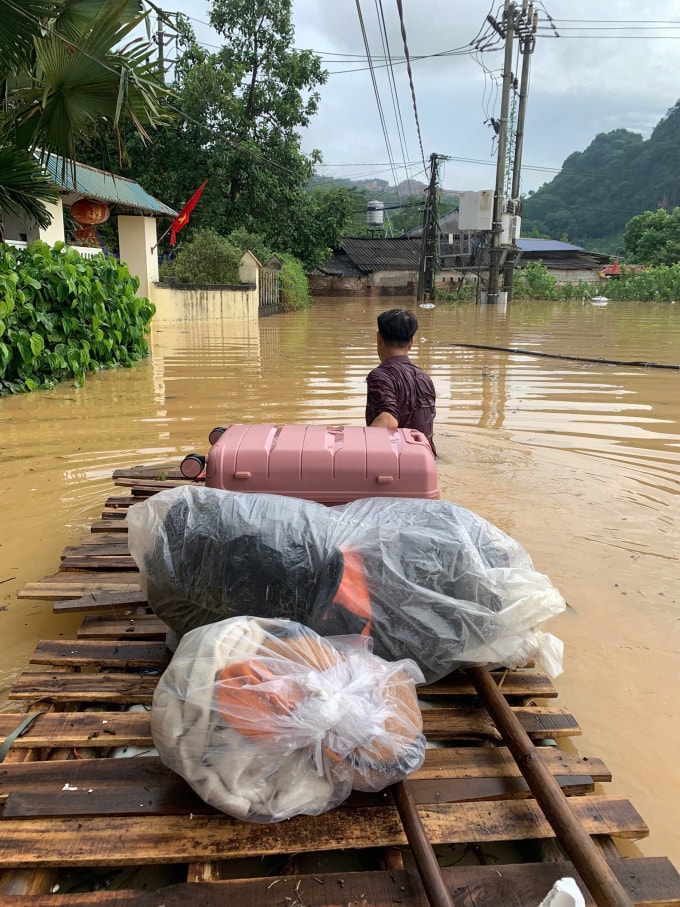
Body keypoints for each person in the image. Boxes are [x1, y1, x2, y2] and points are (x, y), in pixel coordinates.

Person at [365, 308, 437, 455]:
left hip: (400, 461)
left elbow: (388, 420)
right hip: (428, 459)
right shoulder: (424, 377)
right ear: (411, 343)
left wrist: (357, 446)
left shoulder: (380, 376)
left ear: (378, 338)